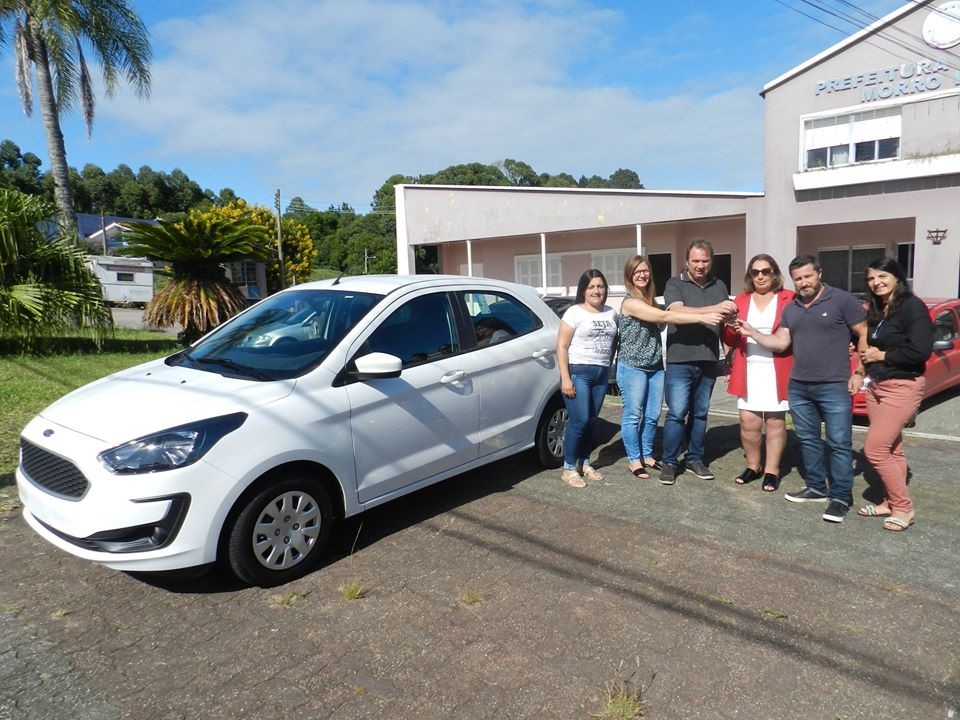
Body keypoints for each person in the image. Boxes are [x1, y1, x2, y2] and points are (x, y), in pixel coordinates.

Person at [736, 254, 867, 523]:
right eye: (798, 279)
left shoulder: (842, 300)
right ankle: (816, 487)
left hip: (833, 384)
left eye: (808, 276)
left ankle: (841, 496)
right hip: (799, 385)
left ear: (819, 273)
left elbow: (864, 333)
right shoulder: (792, 308)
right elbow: (781, 343)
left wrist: (859, 372)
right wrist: (753, 332)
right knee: (808, 440)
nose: (803, 282)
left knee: (839, 443)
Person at [618, 255, 724, 479]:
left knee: (652, 415)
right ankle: (634, 460)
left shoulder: (651, 301)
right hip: (633, 366)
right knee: (633, 415)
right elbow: (664, 316)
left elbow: (662, 314)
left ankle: (647, 455)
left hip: (656, 365)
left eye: (645, 270)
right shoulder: (630, 303)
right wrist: (704, 316)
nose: (642, 275)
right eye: (637, 271)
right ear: (629, 275)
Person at [857, 257, 933, 532]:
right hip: (876, 386)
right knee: (892, 449)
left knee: (874, 449)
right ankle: (889, 502)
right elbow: (869, 341)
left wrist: (882, 355)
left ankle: (904, 507)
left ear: (897, 277)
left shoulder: (912, 306)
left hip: (902, 385)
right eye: (871, 278)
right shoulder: (880, 308)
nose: (876, 282)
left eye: (882, 276)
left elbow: (921, 350)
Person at [658, 239, 738, 485]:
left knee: (701, 413)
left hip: (708, 360)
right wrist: (714, 309)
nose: (700, 265)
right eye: (695, 261)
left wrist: (729, 357)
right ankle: (670, 462)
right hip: (680, 360)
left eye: (704, 260)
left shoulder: (719, 285)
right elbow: (676, 311)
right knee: (677, 413)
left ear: (711, 261)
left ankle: (694, 459)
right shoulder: (675, 283)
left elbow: (725, 325)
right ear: (687, 261)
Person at [720, 254, 795, 491]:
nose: (760, 276)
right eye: (755, 272)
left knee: (774, 422)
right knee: (748, 422)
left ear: (774, 273)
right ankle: (753, 465)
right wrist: (729, 327)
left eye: (765, 271)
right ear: (750, 276)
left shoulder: (788, 298)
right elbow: (730, 339)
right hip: (748, 367)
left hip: (777, 366)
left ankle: (772, 470)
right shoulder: (741, 300)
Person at [556, 269, 618, 488]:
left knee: (591, 421)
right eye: (591, 287)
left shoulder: (612, 313)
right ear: (583, 290)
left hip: (601, 373)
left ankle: (584, 462)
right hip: (578, 372)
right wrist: (566, 378)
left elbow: (614, 342)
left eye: (600, 286)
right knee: (579, 420)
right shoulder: (574, 312)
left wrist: (608, 364)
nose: (596, 291)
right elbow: (561, 346)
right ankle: (569, 468)